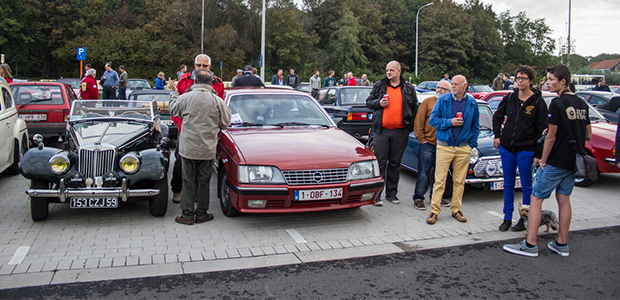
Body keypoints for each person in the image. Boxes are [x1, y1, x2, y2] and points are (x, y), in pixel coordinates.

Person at [503, 64, 592, 257]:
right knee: (564, 200)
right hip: (572, 162)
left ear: (563, 81)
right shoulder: (582, 104)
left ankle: (530, 244)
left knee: (536, 199)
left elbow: (550, 137)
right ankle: (561, 243)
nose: (548, 83)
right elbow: (588, 134)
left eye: (551, 79)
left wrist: (542, 161)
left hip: (556, 160)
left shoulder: (557, 104)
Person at [169, 69, 232, 225]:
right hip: (207, 149)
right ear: (211, 84)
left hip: (188, 148)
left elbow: (173, 110)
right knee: (204, 181)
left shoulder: (185, 98)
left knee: (188, 180)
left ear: (195, 81)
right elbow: (226, 123)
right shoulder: (217, 101)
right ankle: (202, 213)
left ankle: (187, 214)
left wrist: (173, 93)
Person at [493, 65, 548, 232]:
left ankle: (524, 219)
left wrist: (538, 154)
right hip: (507, 147)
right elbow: (497, 117)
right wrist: (497, 136)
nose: (520, 81)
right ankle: (507, 217)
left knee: (526, 185)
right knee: (508, 183)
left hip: (527, 149)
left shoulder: (538, 102)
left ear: (531, 81)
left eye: (524, 78)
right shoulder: (510, 98)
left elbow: (542, 130)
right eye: (518, 78)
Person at [426, 75, 479, 225]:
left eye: (456, 84)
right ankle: (434, 211)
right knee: (440, 180)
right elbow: (433, 120)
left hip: (463, 147)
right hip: (445, 146)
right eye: (452, 84)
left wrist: (471, 145)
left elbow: (475, 126)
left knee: (459, 181)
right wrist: (450, 122)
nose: (453, 86)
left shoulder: (472, 103)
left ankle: (456, 209)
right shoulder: (443, 100)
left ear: (464, 86)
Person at [366, 61, 418, 206]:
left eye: (391, 70)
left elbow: (415, 109)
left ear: (399, 71)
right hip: (381, 131)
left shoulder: (408, 88)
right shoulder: (379, 86)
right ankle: (377, 195)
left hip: (401, 132)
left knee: (395, 165)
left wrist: (409, 128)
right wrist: (378, 103)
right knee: (380, 163)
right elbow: (368, 102)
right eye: (387, 70)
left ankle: (392, 194)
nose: (388, 73)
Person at [412, 80, 451, 210]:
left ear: (449, 92)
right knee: (423, 172)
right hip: (428, 143)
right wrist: (421, 139)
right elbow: (418, 121)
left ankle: (437, 197)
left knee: (440, 174)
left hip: (444, 145)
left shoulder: (451, 104)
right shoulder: (428, 102)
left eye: (443, 88)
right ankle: (418, 198)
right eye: (438, 87)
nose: (439, 90)